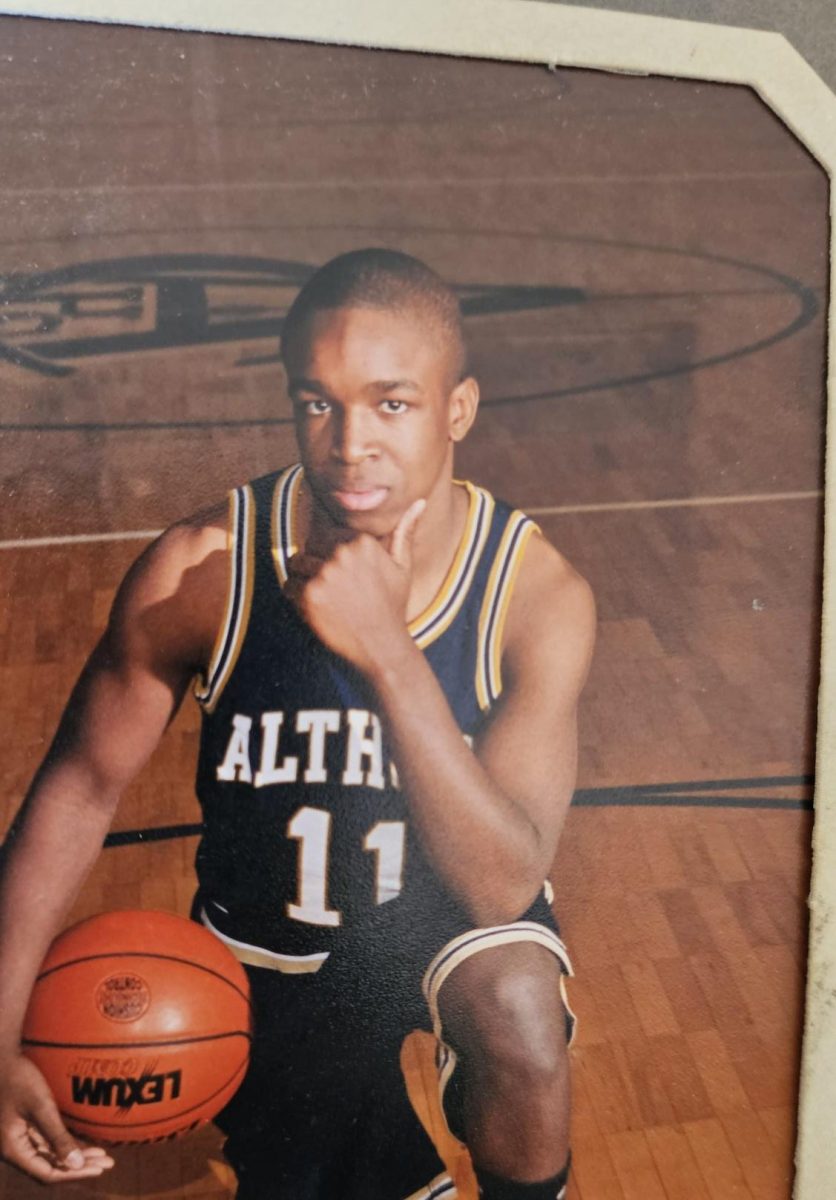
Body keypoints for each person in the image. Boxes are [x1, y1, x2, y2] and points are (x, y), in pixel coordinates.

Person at [0, 248, 595, 1200]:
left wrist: (387, 652)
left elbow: (503, 882)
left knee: (518, 1006)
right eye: (318, 402)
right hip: (268, 972)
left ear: (458, 411)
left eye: (392, 403)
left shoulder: (532, 596)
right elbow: (80, 786)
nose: (350, 441)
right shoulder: (207, 573)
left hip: (447, 925)